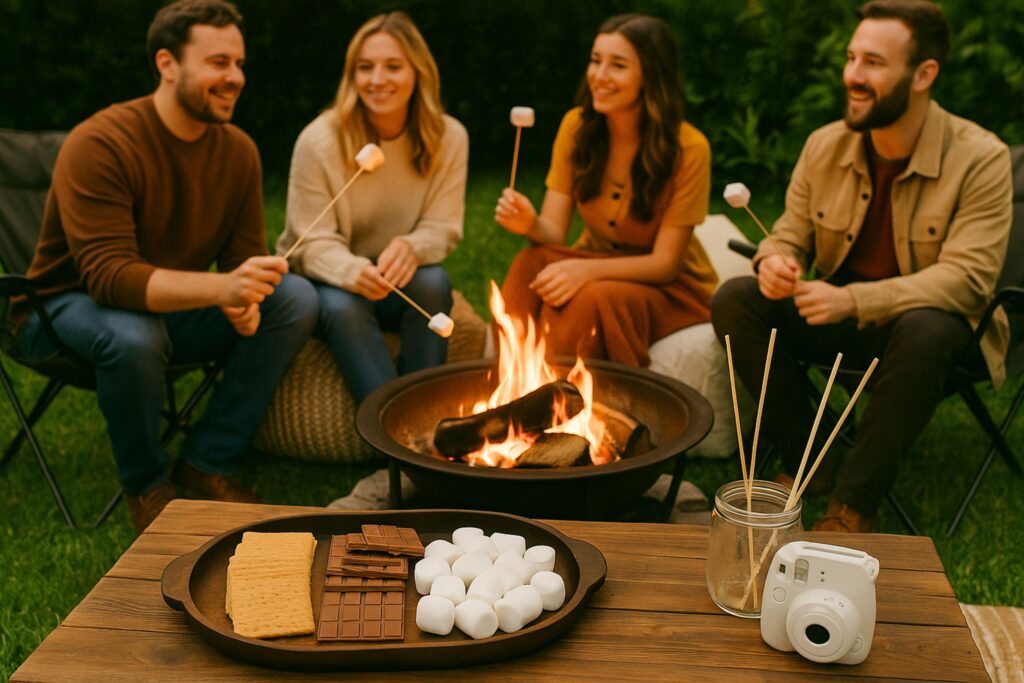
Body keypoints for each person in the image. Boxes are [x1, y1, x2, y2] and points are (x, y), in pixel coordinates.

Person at [16, 0, 319, 532]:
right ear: (167, 63)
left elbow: (242, 261)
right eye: (219, 62)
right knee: (134, 336)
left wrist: (246, 299)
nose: (235, 78)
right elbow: (109, 278)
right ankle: (148, 486)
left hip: (166, 312)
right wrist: (225, 288)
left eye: (239, 64)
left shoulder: (239, 152)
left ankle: (207, 462)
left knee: (294, 299)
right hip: (62, 309)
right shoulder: (102, 143)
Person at [711, 0, 1013, 532]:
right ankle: (811, 456)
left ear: (924, 75)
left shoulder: (981, 158)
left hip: (925, 334)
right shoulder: (825, 145)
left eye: (874, 62)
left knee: (927, 327)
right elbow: (787, 233)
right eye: (852, 58)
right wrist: (774, 260)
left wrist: (855, 299)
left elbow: (968, 281)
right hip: (835, 317)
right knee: (736, 298)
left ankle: (853, 505)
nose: (853, 75)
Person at [494, 14, 715, 368]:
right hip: (594, 260)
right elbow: (552, 233)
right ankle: (507, 381)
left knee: (590, 297)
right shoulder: (576, 127)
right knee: (527, 265)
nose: (599, 75)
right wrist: (530, 223)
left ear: (651, 75)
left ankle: (557, 404)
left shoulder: (689, 149)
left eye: (618, 65)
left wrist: (586, 273)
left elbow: (665, 265)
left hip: (672, 287)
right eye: (596, 61)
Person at [277, 12, 468, 405]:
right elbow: (309, 240)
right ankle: (394, 429)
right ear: (352, 75)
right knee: (344, 305)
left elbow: (443, 225)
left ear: (418, 72)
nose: (377, 80)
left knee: (433, 283)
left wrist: (413, 247)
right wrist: (351, 271)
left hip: (398, 281)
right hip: (327, 281)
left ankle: (427, 413)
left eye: (393, 67)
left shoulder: (449, 137)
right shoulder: (319, 142)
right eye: (365, 68)